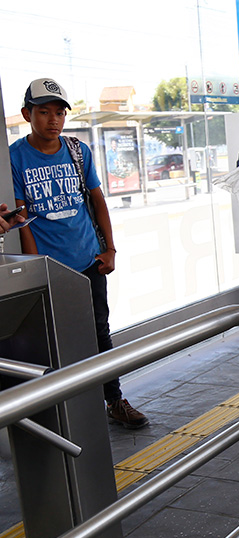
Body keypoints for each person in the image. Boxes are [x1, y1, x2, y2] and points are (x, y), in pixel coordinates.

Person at [10, 78, 149, 430]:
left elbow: (97, 200)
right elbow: (22, 218)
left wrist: (110, 249)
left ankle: (114, 400)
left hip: (88, 260)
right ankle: (62, 410)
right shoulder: (14, 157)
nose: (53, 120)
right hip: (50, 269)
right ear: (28, 114)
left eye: (59, 112)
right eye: (43, 112)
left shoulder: (77, 150)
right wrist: (33, 268)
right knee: (51, 339)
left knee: (100, 332)